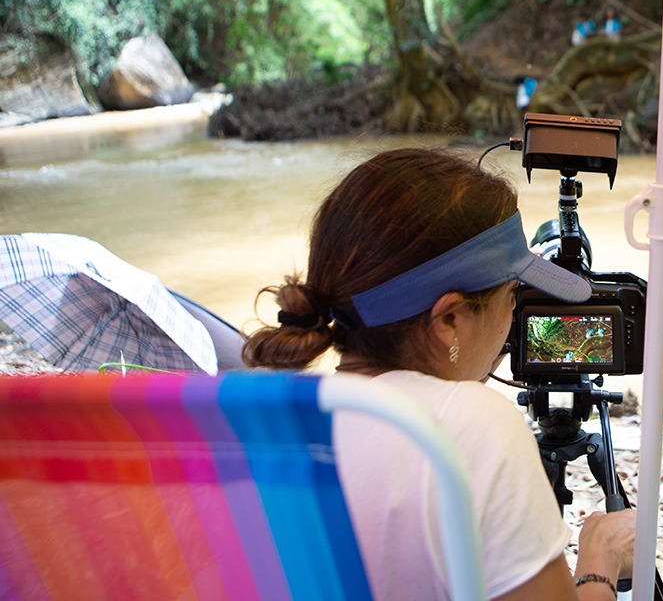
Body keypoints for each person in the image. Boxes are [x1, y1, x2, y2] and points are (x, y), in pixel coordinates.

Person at [243, 148, 635, 601]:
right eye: (512, 294)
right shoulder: (469, 427)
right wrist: (599, 561)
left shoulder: (262, 422)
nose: (514, 316)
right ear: (449, 319)